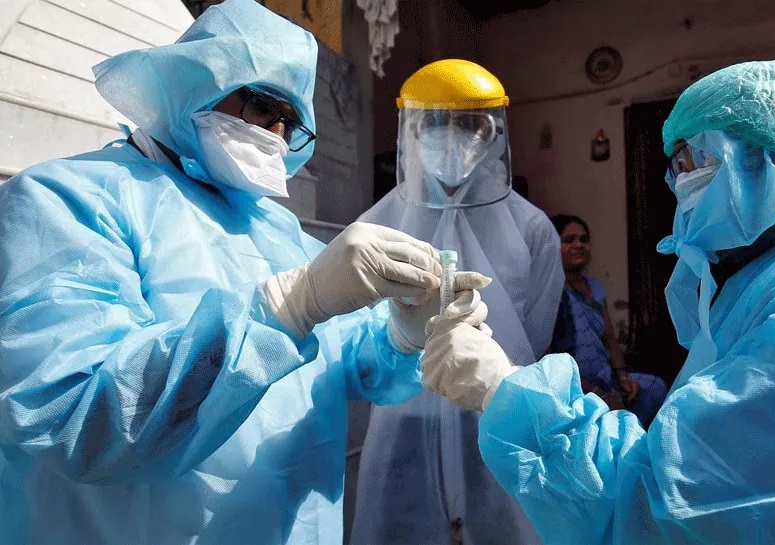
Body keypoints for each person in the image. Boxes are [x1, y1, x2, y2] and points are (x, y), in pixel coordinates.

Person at [420, 60, 775, 544]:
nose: (679, 185)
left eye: (694, 162)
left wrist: (507, 393)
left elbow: (669, 509)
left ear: (771, 160)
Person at [0, 1, 488, 543]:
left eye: (290, 122)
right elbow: (76, 419)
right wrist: (286, 309)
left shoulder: (279, 231)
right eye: (262, 106)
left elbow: (346, 358)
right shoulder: (69, 201)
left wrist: (403, 333)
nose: (275, 131)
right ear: (195, 82)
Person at [352, 59, 561, 545]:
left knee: (506, 529)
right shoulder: (375, 227)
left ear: (494, 133)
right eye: (434, 122)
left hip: (496, 411)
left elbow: (535, 336)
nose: (450, 137)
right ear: (411, 129)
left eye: (469, 124)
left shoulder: (531, 228)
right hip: (404, 418)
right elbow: (360, 344)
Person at [549, 214, 666, 426]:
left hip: (605, 378)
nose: (579, 245)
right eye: (569, 240)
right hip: (575, 386)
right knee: (606, 414)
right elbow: (551, 356)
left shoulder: (593, 286)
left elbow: (610, 338)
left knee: (655, 387)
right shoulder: (554, 292)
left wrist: (623, 378)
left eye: (584, 239)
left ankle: (625, 431)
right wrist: (598, 394)